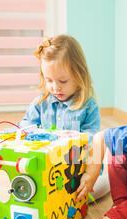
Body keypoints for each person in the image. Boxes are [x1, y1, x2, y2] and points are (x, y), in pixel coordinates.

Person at [20, 34, 108, 199]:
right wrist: (34, 136)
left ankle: (106, 182)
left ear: (79, 75)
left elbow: (92, 139)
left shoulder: (88, 106)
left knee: (87, 192)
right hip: (48, 166)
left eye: (63, 81)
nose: (55, 87)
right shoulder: (40, 103)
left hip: (76, 168)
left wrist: (66, 143)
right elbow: (26, 125)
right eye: (49, 80)